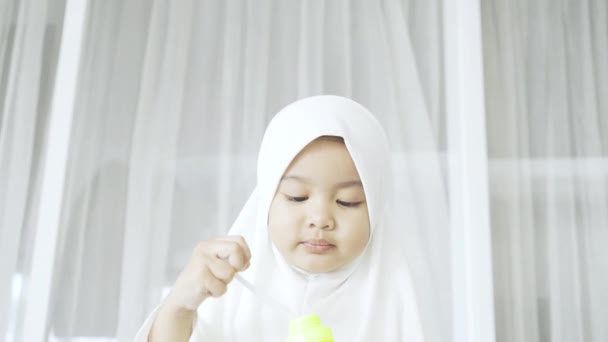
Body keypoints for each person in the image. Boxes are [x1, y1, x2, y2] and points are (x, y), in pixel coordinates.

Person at [134, 95, 424, 341]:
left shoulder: (395, 305)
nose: (320, 219)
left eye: (348, 202)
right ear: (266, 201)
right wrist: (178, 306)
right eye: (297, 196)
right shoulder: (230, 289)